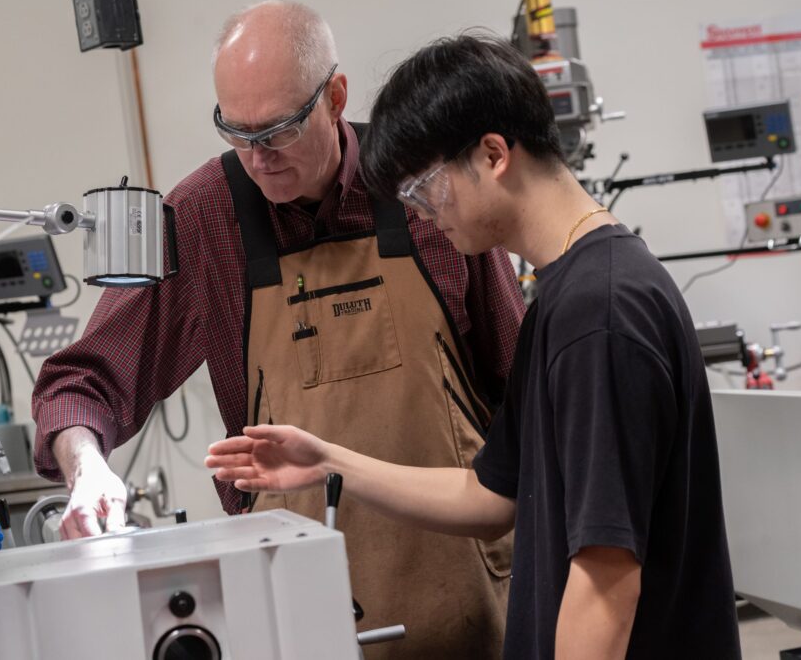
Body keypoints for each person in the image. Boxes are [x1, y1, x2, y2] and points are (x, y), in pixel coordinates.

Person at [205, 34, 742, 659]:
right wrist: (328, 462)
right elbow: (492, 498)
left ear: (493, 154)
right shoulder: (565, 299)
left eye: (425, 188)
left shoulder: (601, 311)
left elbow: (605, 579)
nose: (424, 214)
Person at [32, 2, 525, 659]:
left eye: (278, 131)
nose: (256, 158)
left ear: (334, 98)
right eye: (235, 132)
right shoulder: (206, 217)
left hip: (470, 614)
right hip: (295, 625)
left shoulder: (430, 190)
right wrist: (86, 466)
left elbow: (523, 386)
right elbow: (83, 379)